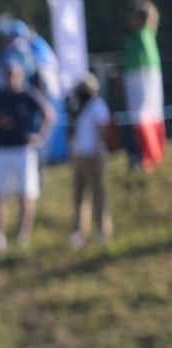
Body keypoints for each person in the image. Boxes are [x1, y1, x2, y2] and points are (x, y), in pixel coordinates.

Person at [0, 62, 55, 250]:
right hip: (1, 149)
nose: (10, 78)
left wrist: (40, 136)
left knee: (25, 194)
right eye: (7, 74)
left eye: (13, 74)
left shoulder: (28, 95)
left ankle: (23, 236)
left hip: (23, 149)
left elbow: (49, 114)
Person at [68, 74, 114, 247]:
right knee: (79, 195)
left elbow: (102, 130)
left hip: (93, 156)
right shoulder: (83, 108)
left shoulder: (97, 106)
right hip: (80, 155)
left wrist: (97, 153)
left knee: (98, 194)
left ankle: (102, 229)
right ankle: (80, 231)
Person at [124, 2, 165, 173]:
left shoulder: (144, 34)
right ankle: (150, 156)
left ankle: (150, 156)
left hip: (142, 75)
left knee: (144, 115)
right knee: (145, 115)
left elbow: (149, 15)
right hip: (139, 75)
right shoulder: (138, 36)